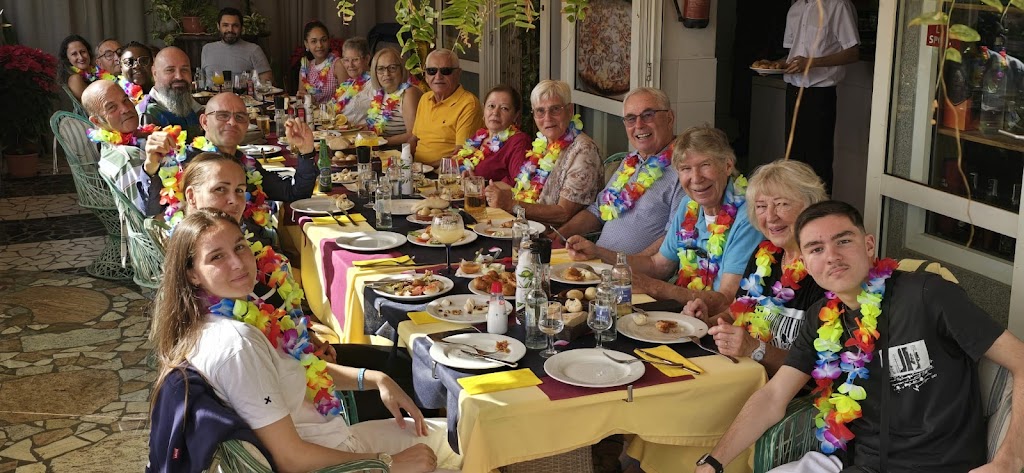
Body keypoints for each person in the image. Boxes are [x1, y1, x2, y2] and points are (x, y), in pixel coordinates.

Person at [693, 200, 1024, 473]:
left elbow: (1021, 361)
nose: (832, 256)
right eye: (816, 248)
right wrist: (713, 461)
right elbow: (772, 398)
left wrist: (1009, 459)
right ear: (806, 264)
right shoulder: (822, 318)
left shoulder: (928, 295)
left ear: (868, 245)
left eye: (843, 241)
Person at [150, 209, 462, 473]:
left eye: (240, 247)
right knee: (459, 441)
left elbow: (292, 373)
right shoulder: (238, 344)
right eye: (217, 257)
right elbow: (290, 458)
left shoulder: (219, 318)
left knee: (448, 432)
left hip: (333, 440)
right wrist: (389, 463)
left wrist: (374, 378)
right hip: (332, 460)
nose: (237, 263)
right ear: (192, 274)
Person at [572, 125, 762, 314]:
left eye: (705, 165)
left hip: (723, 328)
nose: (696, 178)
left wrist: (655, 288)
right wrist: (597, 252)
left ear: (728, 165)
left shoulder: (747, 217)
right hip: (687, 316)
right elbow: (657, 265)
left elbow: (726, 300)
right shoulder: (689, 206)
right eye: (686, 168)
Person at [687, 159, 827, 377]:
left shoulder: (825, 270)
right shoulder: (764, 255)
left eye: (782, 204)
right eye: (761, 206)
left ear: (811, 205)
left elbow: (820, 367)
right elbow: (737, 313)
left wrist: (757, 349)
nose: (770, 217)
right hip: (742, 376)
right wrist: (705, 323)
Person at [558, 87, 683, 255]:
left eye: (648, 115)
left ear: (669, 118)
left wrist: (618, 266)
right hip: (596, 264)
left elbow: (672, 241)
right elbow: (597, 211)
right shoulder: (631, 161)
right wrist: (557, 237)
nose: (639, 125)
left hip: (631, 274)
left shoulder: (684, 171)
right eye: (631, 118)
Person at [483, 80, 602, 227]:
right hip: (524, 227)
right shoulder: (542, 144)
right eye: (540, 111)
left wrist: (512, 205)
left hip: (557, 239)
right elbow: (526, 193)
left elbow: (563, 213)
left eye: (555, 109)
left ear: (570, 110)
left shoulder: (584, 150)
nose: (547, 118)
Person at [781, 0, 859, 194]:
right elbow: (792, 56)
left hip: (820, 93)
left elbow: (852, 53)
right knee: (792, 159)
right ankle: (794, 215)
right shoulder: (796, 8)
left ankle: (820, 215)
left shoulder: (837, 6)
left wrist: (812, 63)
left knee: (818, 161)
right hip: (793, 89)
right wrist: (775, 65)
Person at [81, 79, 175, 217]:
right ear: (97, 121)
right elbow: (150, 217)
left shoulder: (130, 139)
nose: (125, 109)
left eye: (125, 100)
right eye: (112, 107)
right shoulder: (129, 158)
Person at [410, 49, 484, 167]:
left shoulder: (468, 104)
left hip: (443, 173)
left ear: (458, 73)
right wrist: (405, 164)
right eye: (432, 71)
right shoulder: (425, 98)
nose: (438, 76)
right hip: (417, 171)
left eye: (446, 71)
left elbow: (461, 154)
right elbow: (414, 140)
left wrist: (424, 168)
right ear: (425, 75)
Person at [452, 85, 530, 186]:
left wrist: (479, 184)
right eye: (491, 106)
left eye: (504, 108)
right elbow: (455, 164)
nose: (495, 112)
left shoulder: (519, 142)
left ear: (516, 115)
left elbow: (518, 185)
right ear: (484, 109)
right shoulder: (479, 137)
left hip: (488, 200)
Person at [141, 46, 203, 138]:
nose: (179, 76)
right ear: (155, 74)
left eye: (184, 70)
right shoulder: (148, 114)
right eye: (170, 70)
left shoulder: (186, 100)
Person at [367, 47, 423, 146]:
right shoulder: (382, 93)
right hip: (380, 150)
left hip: (399, 153)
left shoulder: (408, 93)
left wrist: (380, 142)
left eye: (392, 68)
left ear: (401, 69)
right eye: (380, 69)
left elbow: (413, 134)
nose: (386, 74)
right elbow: (377, 127)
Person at [200, 7, 273, 83]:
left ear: (241, 28)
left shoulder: (254, 50)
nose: (230, 30)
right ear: (218, 26)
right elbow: (202, 81)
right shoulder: (207, 49)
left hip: (243, 94)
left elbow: (267, 82)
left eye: (235, 25)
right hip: (211, 94)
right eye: (225, 25)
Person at [295, 20, 346, 106]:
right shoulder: (305, 67)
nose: (319, 45)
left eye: (323, 40)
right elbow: (301, 98)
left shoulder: (337, 64)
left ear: (329, 41)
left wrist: (316, 104)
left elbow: (347, 100)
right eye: (314, 41)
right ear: (306, 44)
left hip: (334, 117)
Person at [58, 34, 114, 101]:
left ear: (88, 52)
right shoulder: (75, 79)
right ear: (67, 58)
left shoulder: (96, 70)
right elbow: (90, 105)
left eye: (83, 52)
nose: (81, 57)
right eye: (74, 54)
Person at [333, 37, 373, 127]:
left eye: (355, 60)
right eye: (346, 60)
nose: (350, 65)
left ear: (367, 59)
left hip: (362, 137)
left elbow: (381, 116)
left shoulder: (374, 84)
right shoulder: (348, 84)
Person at [117, 41, 153, 108]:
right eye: (129, 62)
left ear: (152, 64)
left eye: (143, 61)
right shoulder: (115, 97)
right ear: (121, 67)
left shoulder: (164, 93)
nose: (136, 66)